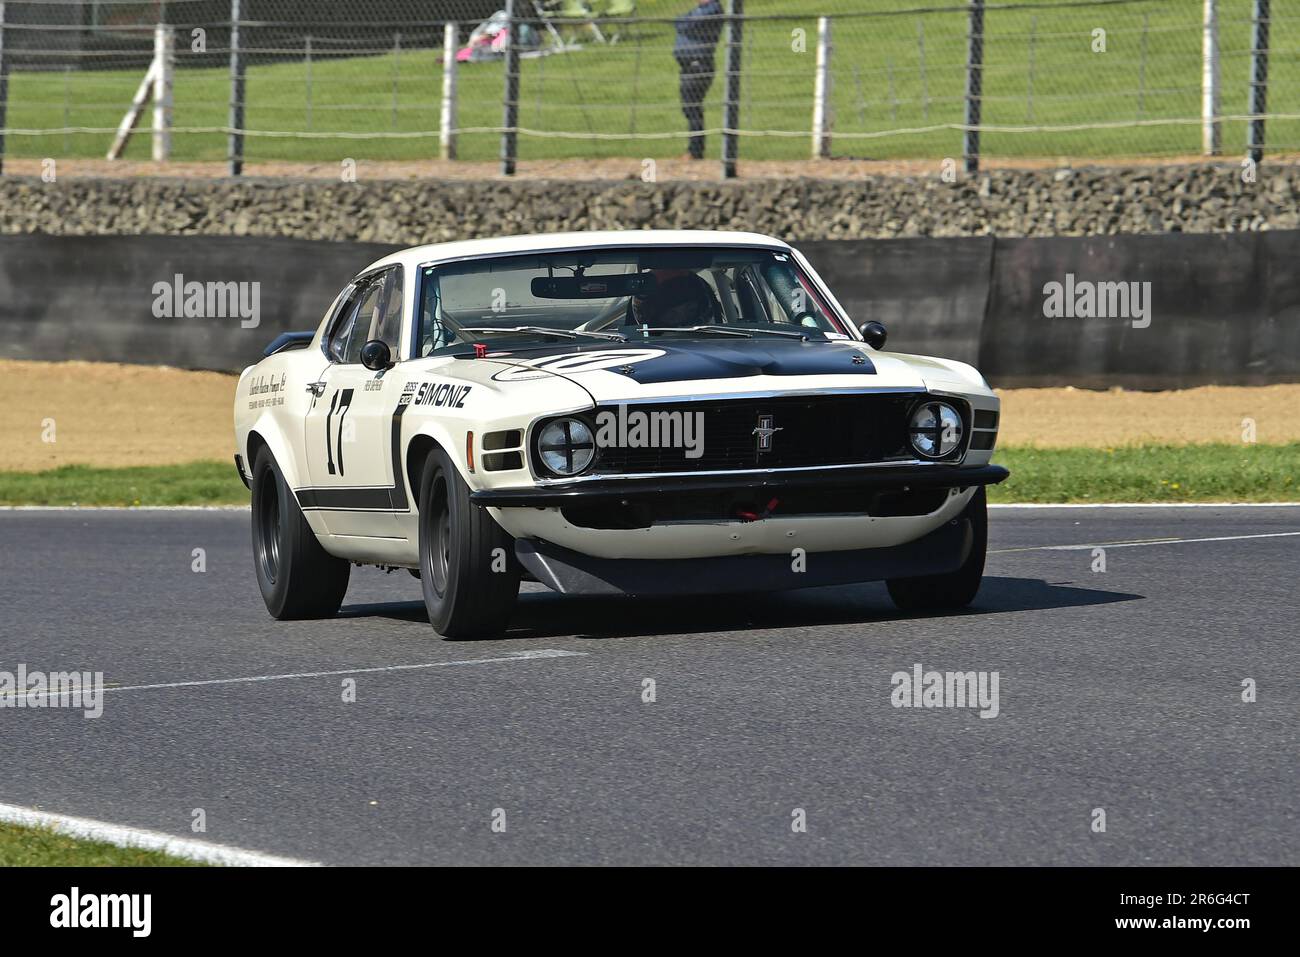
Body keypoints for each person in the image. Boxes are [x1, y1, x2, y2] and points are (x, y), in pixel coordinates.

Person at [673, 0, 724, 160]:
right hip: (689, 65)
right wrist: (683, 21)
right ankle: (694, 150)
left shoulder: (712, 10)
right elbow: (680, 22)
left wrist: (683, 21)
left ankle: (695, 151)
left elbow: (685, 25)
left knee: (693, 108)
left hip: (698, 65)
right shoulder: (700, 10)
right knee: (690, 108)